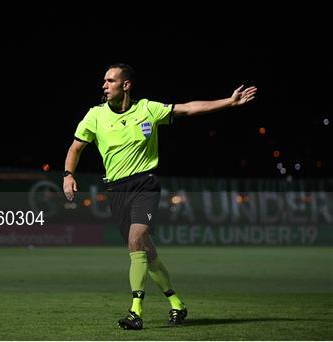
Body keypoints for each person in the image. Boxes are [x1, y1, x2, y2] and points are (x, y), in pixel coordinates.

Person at [62, 63, 257, 330]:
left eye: (110, 81)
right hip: (116, 191)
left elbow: (189, 108)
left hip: (145, 184)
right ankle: (177, 303)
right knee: (146, 252)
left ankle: (136, 311)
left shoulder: (148, 109)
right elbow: (75, 148)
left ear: (126, 85)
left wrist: (229, 102)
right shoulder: (95, 115)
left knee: (136, 240)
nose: (104, 85)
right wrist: (68, 175)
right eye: (104, 81)